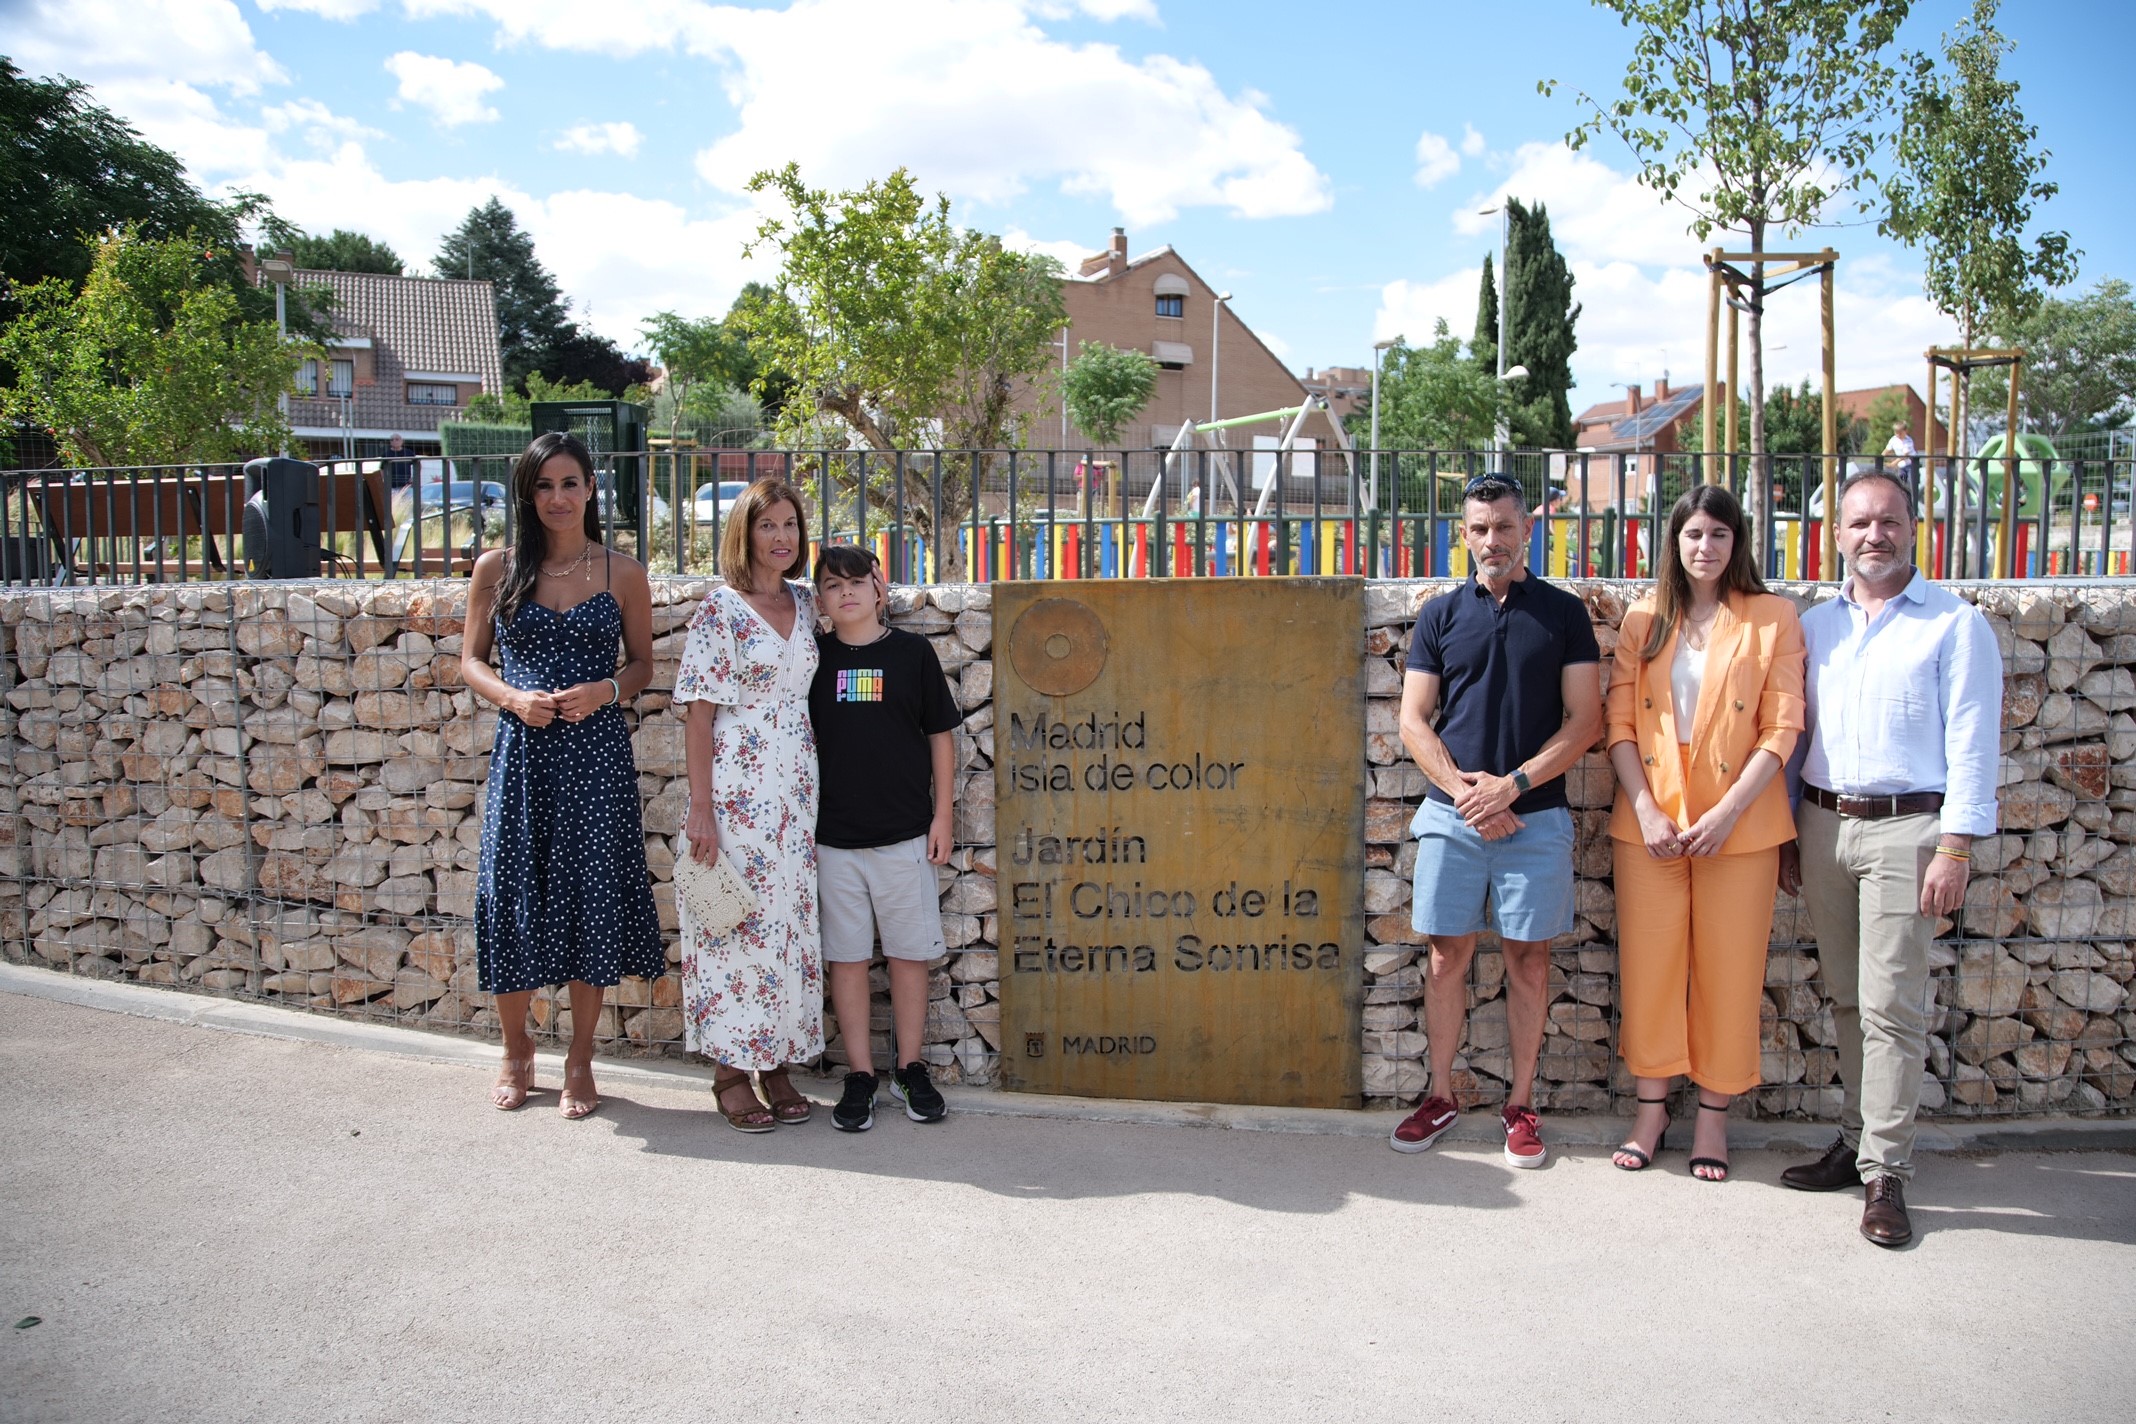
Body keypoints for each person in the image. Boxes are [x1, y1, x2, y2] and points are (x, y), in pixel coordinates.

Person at [1778, 470, 2001, 1247]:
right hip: (1822, 824)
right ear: (1837, 534)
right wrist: (1788, 833)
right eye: (1861, 522)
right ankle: (1856, 1139)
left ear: (1913, 528)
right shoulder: (1816, 627)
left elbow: (1974, 741)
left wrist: (1957, 846)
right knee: (1847, 998)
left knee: (1893, 1006)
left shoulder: (1954, 625)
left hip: (1910, 832)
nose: (1876, 534)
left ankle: (1887, 1173)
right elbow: (1796, 735)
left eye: (1890, 521)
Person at [1392, 474, 1604, 1167]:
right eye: (1480, 528)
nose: (1493, 540)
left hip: (1534, 819)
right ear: (1465, 535)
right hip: (1453, 818)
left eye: (1505, 526)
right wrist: (1467, 795)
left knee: (1529, 962)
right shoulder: (1440, 616)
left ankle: (1520, 1105)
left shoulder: (1564, 614)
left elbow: (1586, 721)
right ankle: (1440, 1095)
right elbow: (1413, 720)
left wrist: (1512, 787)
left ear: (1527, 531)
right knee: (1445, 957)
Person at [1605, 486, 1804, 1182]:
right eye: (1693, 533)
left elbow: (1783, 725)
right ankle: (1652, 1111)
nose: (1705, 546)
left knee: (1730, 967)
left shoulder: (1773, 617)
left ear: (1737, 541)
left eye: (1719, 533)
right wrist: (1646, 808)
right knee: (1651, 965)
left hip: (1740, 815)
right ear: (1674, 541)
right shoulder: (1644, 619)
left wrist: (1729, 813)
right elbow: (1619, 724)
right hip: (1651, 815)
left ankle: (1714, 1117)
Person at [462, 431, 663, 1120]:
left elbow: (643, 664)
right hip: (524, 757)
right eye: (543, 485)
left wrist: (606, 690)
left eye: (569, 483)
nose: (557, 497)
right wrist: (513, 697)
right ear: (526, 493)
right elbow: (470, 661)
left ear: (590, 489)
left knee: (591, 899)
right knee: (513, 894)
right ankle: (515, 1049)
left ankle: (580, 1058)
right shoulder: (497, 568)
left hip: (596, 759)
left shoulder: (622, 572)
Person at [674, 478, 823, 1132]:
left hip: (798, 792)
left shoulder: (807, 602)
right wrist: (701, 807)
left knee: (789, 926)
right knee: (735, 923)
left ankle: (777, 1061)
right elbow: (698, 715)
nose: (781, 537)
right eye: (768, 526)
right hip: (738, 791)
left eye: (790, 524)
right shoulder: (722, 610)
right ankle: (730, 1071)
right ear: (745, 532)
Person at [809, 544, 962, 1131]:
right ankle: (860, 1075)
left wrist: (942, 816)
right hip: (832, 840)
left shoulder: (911, 654)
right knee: (847, 959)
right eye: (832, 584)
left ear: (879, 588)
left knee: (907, 955)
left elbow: (940, 735)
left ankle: (910, 1067)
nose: (845, 591)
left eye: (856, 580)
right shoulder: (812, 659)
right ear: (820, 600)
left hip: (904, 836)